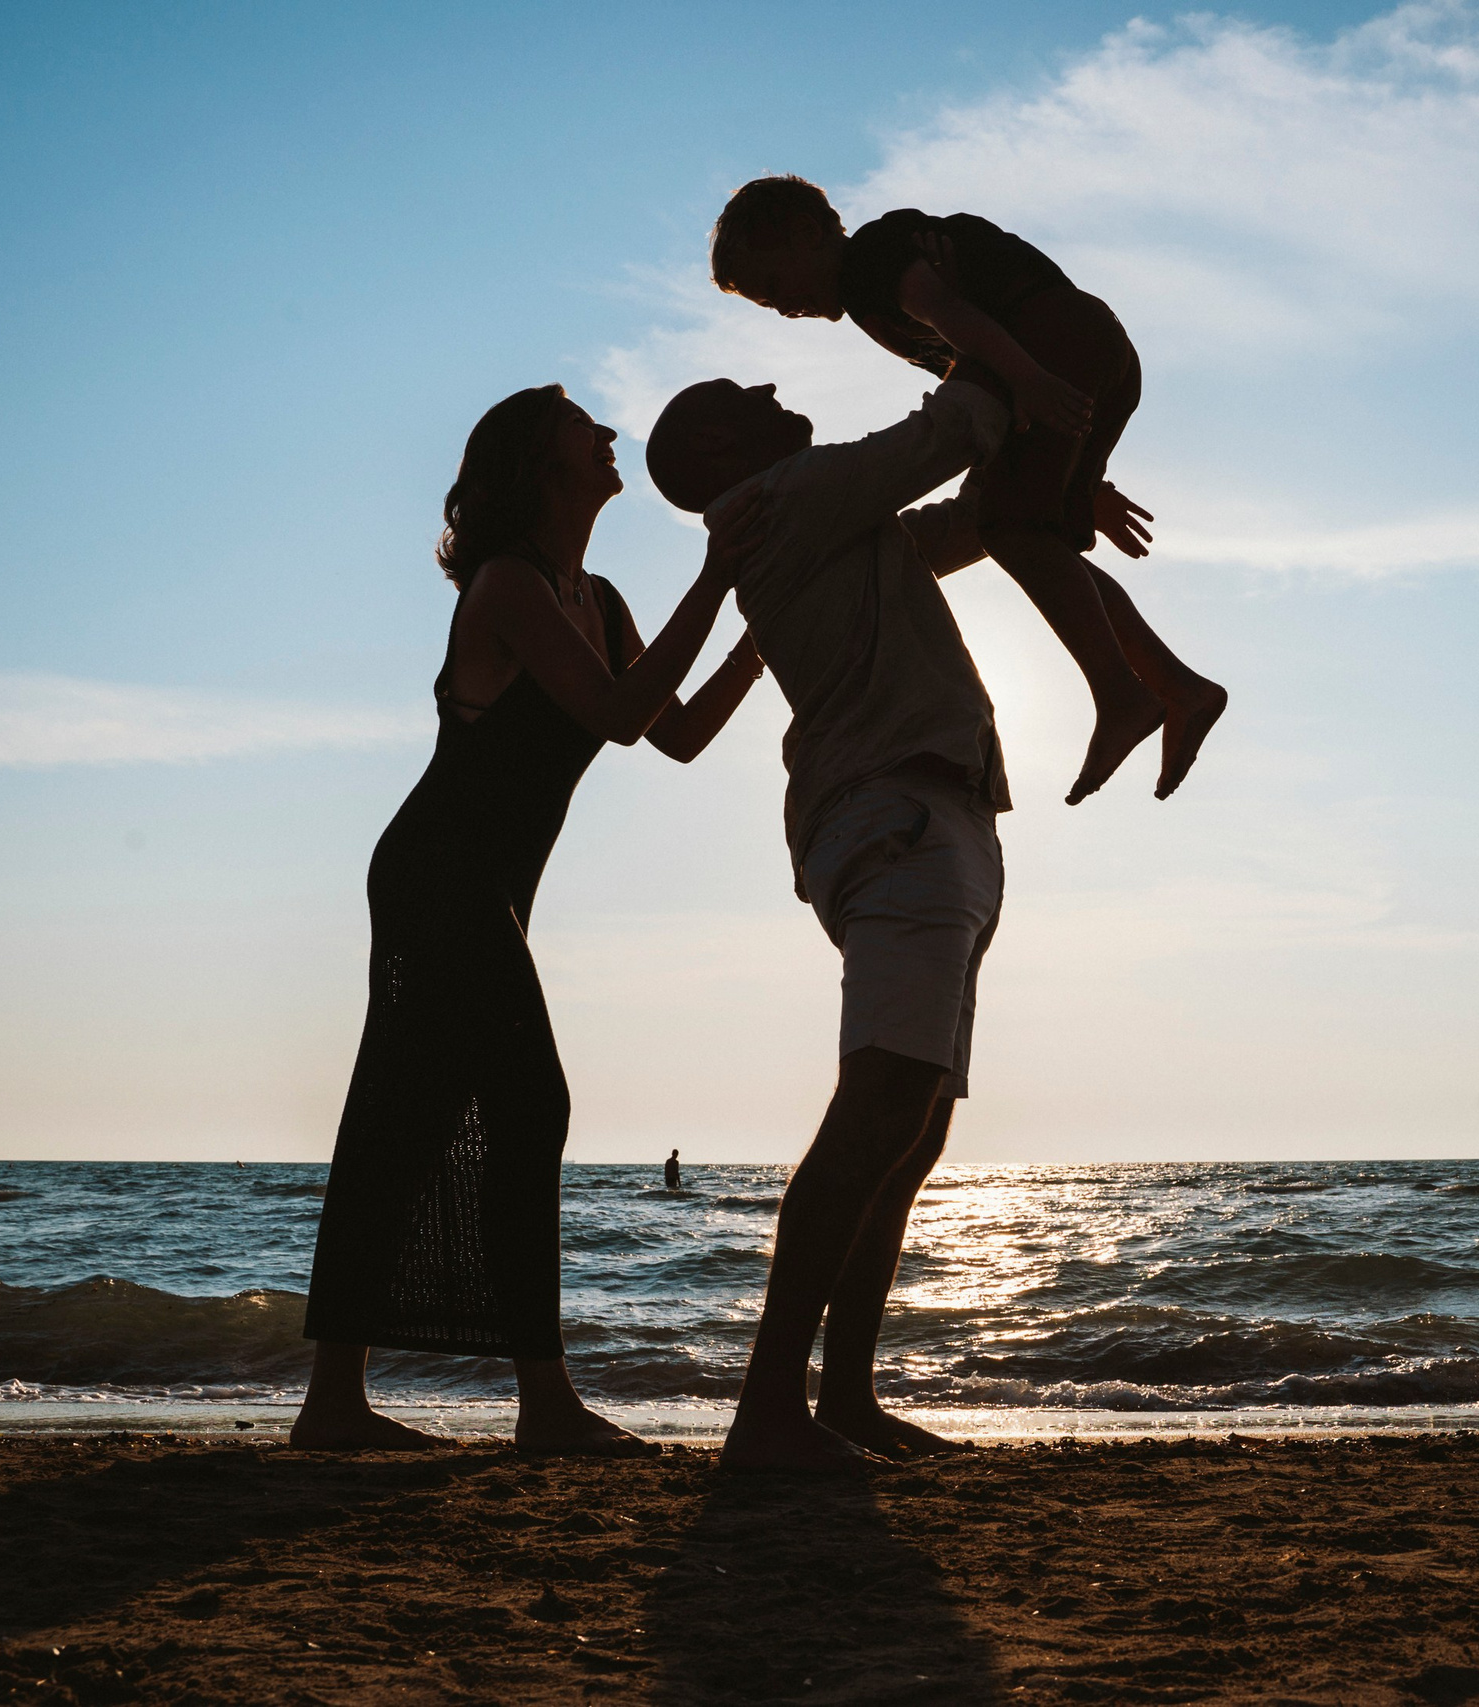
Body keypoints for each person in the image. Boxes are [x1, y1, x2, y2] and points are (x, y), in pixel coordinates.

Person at [292, 385, 767, 1456]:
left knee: (411, 1122)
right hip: (435, 876)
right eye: (579, 424)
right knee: (518, 1102)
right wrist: (715, 577)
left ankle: (337, 1405)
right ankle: (538, 1405)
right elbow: (615, 713)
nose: (606, 432)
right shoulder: (509, 585)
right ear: (536, 466)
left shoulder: (596, 597)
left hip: (487, 891)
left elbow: (677, 732)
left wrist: (754, 641)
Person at [646, 365, 1016, 1471]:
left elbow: (936, 535)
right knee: (881, 1107)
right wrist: (973, 333)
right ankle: (771, 1411)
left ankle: (843, 1399)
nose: (769, 382)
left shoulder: (809, 515)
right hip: (899, 818)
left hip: (925, 813)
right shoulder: (795, 492)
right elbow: (953, 429)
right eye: (740, 391)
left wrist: (1038, 504)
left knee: (910, 1126)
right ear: (721, 447)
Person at [708, 174, 1227, 805]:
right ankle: (1176, 686)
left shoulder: (872, 258)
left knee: (1006, 528)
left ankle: (1124, 693)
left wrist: (1030, 378)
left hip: (1055, 344)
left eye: (774, 284)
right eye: (768, 306)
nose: (784, 308)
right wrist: (1084, 478)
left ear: (806, 233)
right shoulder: (874, 294)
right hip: (1088, 348)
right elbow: (970, 357)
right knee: (1037, 539)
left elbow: (948, 313)